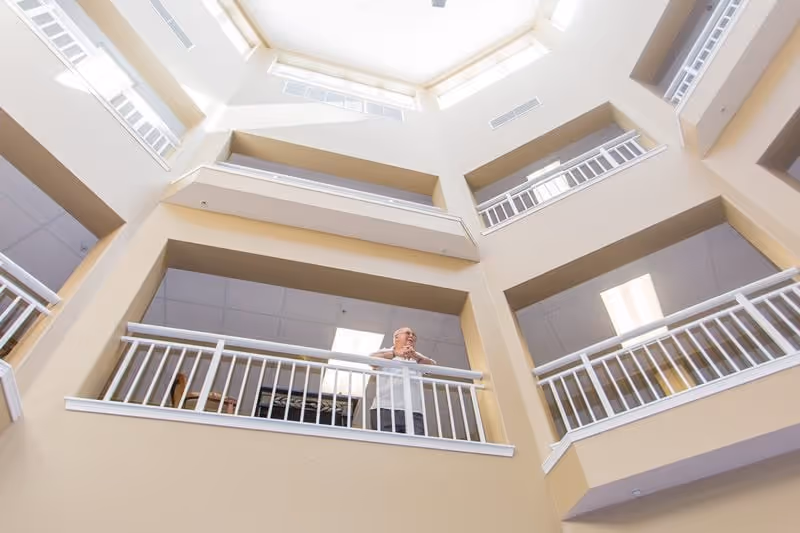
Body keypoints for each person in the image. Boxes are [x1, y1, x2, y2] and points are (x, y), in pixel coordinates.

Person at [369, 327, 436, 435]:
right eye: (408, 333)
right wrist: (396, 353)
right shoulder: (385, 352)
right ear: (396, 338)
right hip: (385, 408)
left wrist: (414, 356)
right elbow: (371, 360)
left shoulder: (418, 357)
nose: (411, 336)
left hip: (414, 411)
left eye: (413, 335)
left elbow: (431, 367)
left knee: (416, 447)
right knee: (385, 446)